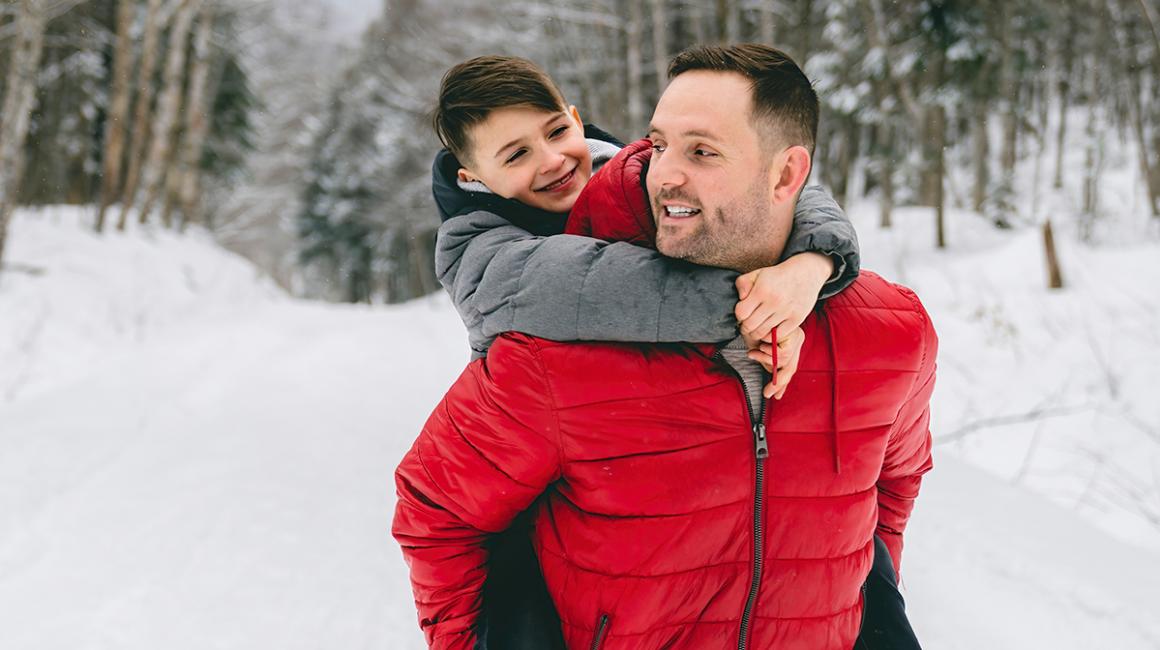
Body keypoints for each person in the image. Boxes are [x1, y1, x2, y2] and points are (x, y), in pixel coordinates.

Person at [396, 45, 935, 649]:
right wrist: (748, 307)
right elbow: (437, 514)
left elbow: (893, 482)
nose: (666, 173)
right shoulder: (528, 316)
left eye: (699, 150)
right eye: (660, 147)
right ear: (474, 177)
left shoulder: (893, 331)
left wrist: (811, 265)